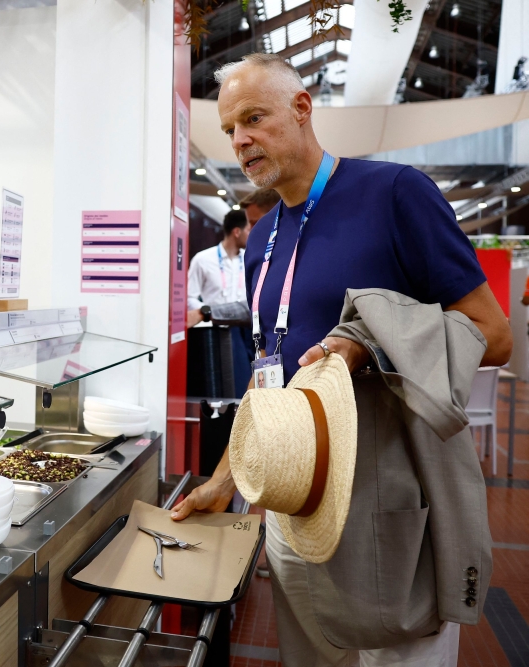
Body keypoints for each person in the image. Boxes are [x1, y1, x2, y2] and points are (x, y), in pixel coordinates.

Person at [171, 53, 511, 665]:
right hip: (295, 505)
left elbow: (493, 332)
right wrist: (225, 481)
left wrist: (368, 343)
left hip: (391, 499)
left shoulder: (395, 195)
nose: (240, 140)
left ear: (302, 109)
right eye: (229, 129)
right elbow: (268, 375)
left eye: (253, 118)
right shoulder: (263, 243)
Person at [187, 208, 254, 392]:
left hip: (248, 330)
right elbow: (189, 295)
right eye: (248, 229)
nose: (251, 234)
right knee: (224, 386)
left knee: (249, 384)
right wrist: (206, 311)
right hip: (217, 330)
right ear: (237, 231)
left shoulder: (250, 260)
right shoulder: (203, 259)